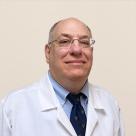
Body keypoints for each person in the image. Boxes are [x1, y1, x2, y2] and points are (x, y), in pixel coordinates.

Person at [0, 17, 124, 136]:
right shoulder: (12, 108)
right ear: (48, 52)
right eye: (64, 41)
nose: (76, 50)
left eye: (85, 42)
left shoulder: (110, 105)